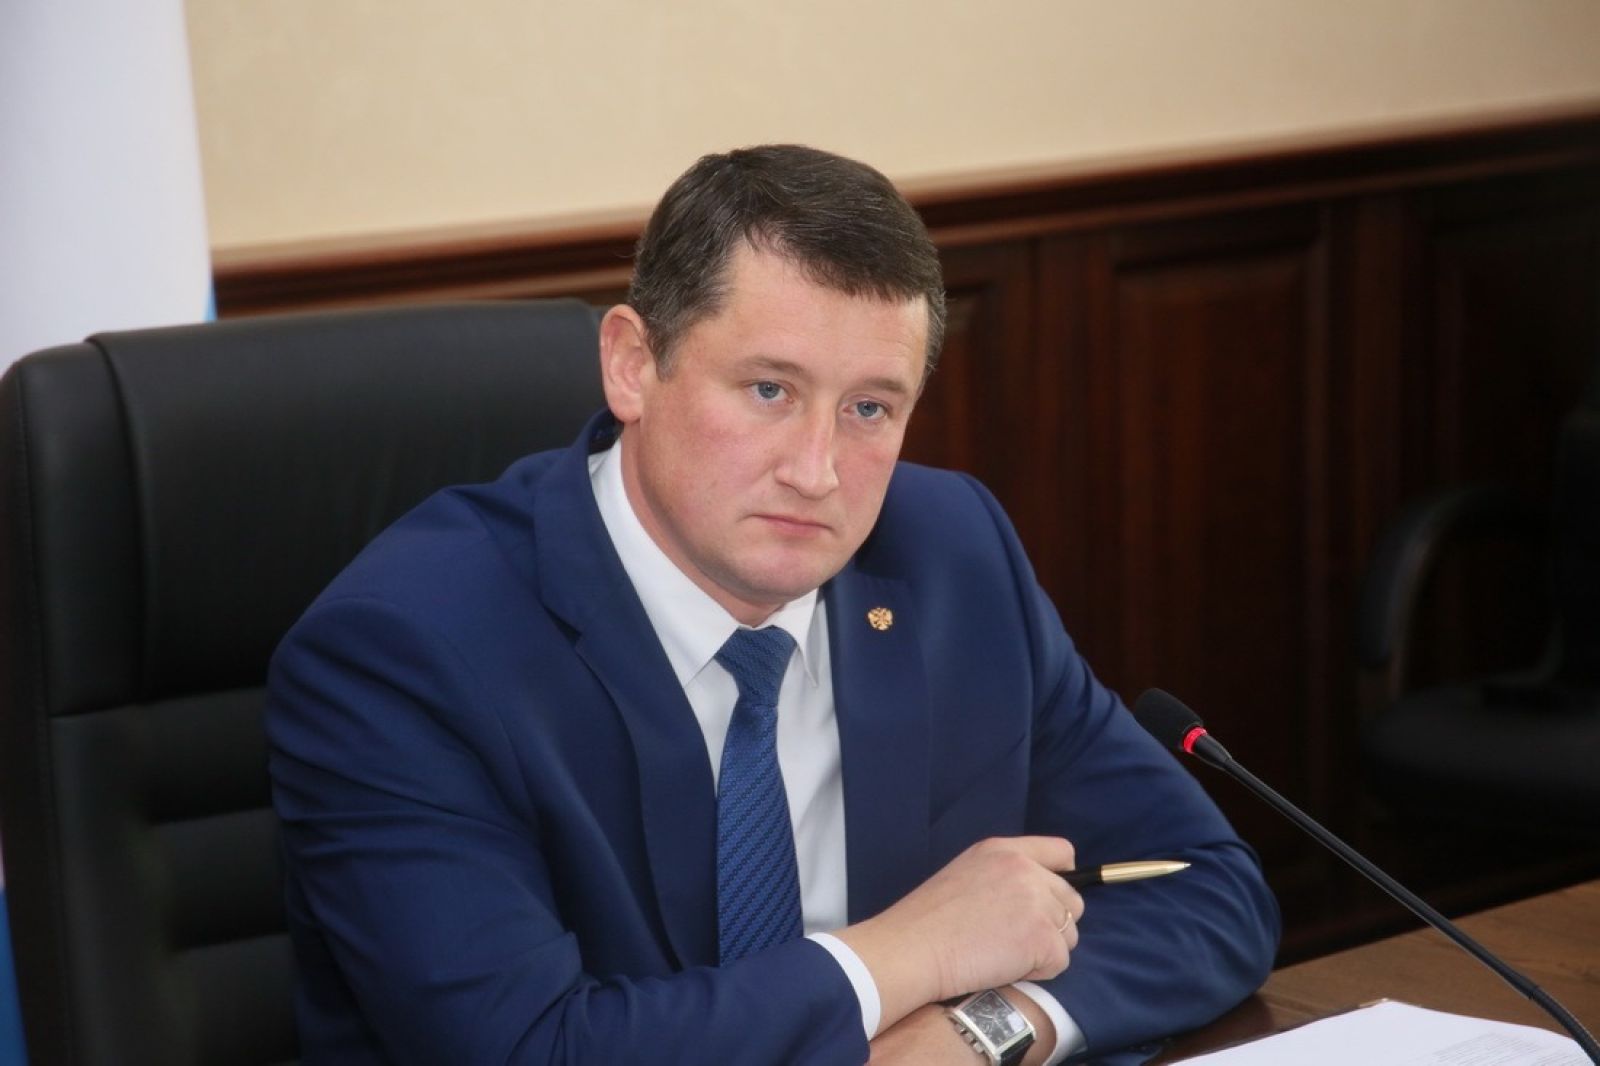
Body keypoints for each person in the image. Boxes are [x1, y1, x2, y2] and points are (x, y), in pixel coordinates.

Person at [266, 144, 1279, 1066]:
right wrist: (907, 953)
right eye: (768, 391)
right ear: (632, 364)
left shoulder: (951, 554)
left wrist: (979, 1029)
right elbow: (534, 1048)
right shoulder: (404, 652)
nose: (816, 470)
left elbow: (1203, 885)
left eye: (869, 408)